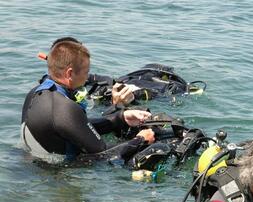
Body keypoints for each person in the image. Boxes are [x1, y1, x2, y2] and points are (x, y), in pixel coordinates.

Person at [21, 39, 154, 161]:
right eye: (86, 72)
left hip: (32, 165)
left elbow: (76, 127)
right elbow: (103, 154)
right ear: (69, 73)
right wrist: (140, 139)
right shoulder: (65, 108)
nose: (86, 79)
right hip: (58, 178)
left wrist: (121, 118)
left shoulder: (36, 93)